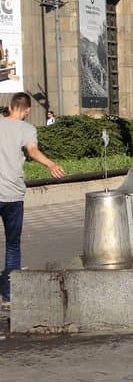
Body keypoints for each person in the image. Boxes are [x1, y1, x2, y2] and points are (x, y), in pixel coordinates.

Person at [0, 93, 66, 307]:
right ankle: (8, 294)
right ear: (27, 110)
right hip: (12, 195)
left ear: (10, 106)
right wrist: (51, 164)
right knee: (12, 245)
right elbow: (32, 150)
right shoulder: (27, 130)